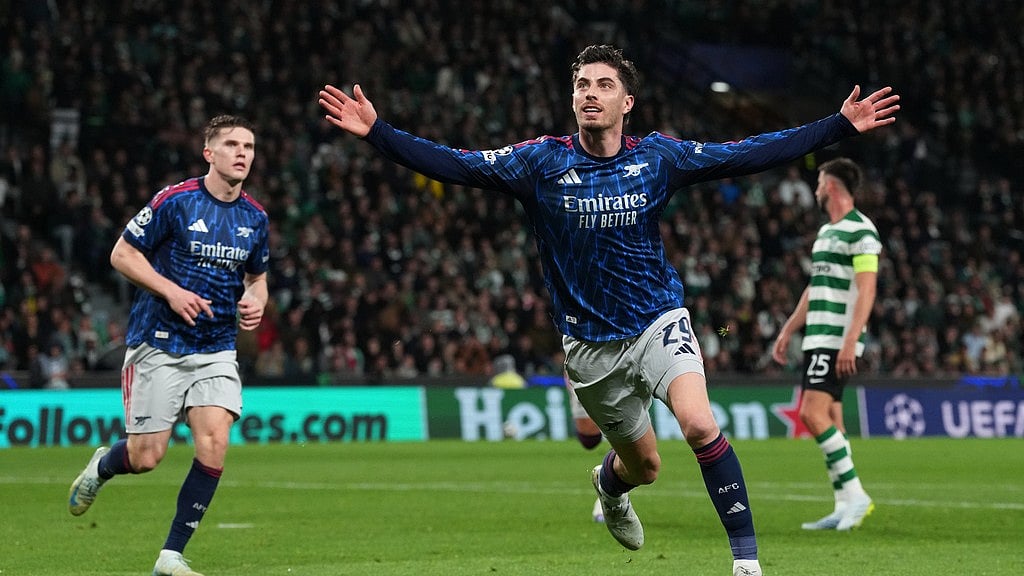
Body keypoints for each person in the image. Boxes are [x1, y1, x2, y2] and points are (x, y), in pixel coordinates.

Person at [318, 44, 898, 576]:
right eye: (581, 85)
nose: (589, 93)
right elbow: (456, 164)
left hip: (658, 320)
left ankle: (746, 563)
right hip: (591, 347)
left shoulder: (658, 158)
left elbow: (748, 153)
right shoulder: (538, 163)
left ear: (627, 101)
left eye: (602, 84)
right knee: (644, 466)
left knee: (699, 424)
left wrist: (836, 126)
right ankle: (608, 485)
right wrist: (379, 133)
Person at [67, 115, 269, 576]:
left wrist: (256, 300)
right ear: (209, 154)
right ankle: (103, 466)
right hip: (159, 342)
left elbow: (258, 277)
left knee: (215, 441)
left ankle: (170, 555)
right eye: (233, 144)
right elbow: (121, 253)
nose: (243, 153)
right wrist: (171, 291)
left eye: (250, 146)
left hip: (217, 346)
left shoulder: (255, 218)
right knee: (146, 457)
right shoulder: (175, 202)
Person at [771, 157, 880, 532]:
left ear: (831, 186)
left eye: (819, 182)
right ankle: (844, 503)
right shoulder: (826, 233)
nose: (816, 188)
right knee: (831, 417)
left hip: (836, 338)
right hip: (818, 335)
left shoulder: (860, 231)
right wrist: (788, 329)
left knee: (811, 416)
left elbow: (867, 289)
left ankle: (856, 493)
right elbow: (815, 287)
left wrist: (851, 339)